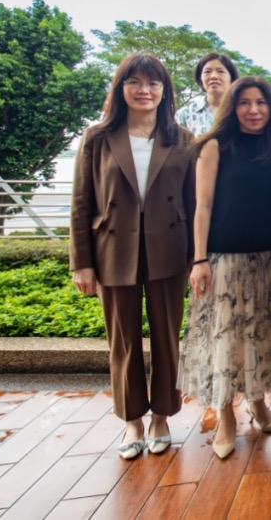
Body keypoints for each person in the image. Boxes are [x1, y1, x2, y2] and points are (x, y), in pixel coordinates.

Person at [70, 53, 196, 460]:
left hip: (169, 249)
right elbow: (81, 203)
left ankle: (161, 416)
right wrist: (81, 262)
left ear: (165, 91)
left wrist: (197, 258)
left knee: (166, 338)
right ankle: (132, 421)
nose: (145, 90)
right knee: (122, 341)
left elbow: (195, 203)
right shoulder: (97, 138)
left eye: (154, 83)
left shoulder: (183, 138)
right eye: (135, 82)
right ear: (120, 88)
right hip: (113, 250)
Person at [178, 76, 271, 459]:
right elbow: (203, 207)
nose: (254, 110)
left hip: (269, 261)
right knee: (224, 341)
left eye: (261, 102)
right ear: (232, 107)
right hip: (224, 261)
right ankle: (225, 416)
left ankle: (258, 404)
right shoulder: (214, 146)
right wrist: (199, 259)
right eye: (245, 103)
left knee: (261, 336)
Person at [176, 52, 240, 135]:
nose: (213, 76)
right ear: (200, 78)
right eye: (207, 72)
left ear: (232, 78)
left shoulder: (242, 111)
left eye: (220, 71)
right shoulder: (185, 114)